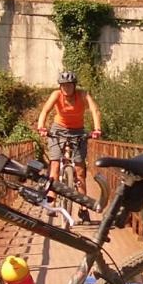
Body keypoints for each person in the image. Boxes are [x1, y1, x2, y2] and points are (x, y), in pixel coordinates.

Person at [36, 70, 102, 220]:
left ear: (74, 85)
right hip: (58, 129)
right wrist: (42, 127)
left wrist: (97, 129)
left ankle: (83, 207)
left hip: (78, 131)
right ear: (60, 86)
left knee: (80, 170)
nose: (66, 88)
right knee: (54, 165)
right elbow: (45, 111)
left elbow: (95, 110)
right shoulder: (56, 95)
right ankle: (51, 202)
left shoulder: (83, 95)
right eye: (63, 86)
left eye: (69, 85)